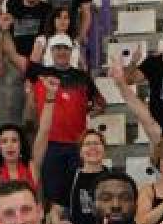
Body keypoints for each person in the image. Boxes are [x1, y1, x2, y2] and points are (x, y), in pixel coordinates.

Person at [27, 37, 105, 207]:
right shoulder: (41, 74)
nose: (61, 52)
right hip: (50, 145)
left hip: (77, 146)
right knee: (52, 195)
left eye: (65, 48)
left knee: (78, 193)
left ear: (71, 52)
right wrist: (38, 46)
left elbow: (101, 104)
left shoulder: (82, 77)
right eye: (57, 48)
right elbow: (28, 66)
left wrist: (82, 112)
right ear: (51, 51)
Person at [0, 0, 52, 80]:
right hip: (19, 58)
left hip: (40, 56)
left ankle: (31, 74)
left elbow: (50, 37)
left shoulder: (47, 9)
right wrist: (0, 61)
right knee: (5, 32)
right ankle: (31, 73)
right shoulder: (13, 8)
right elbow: (2, 35)